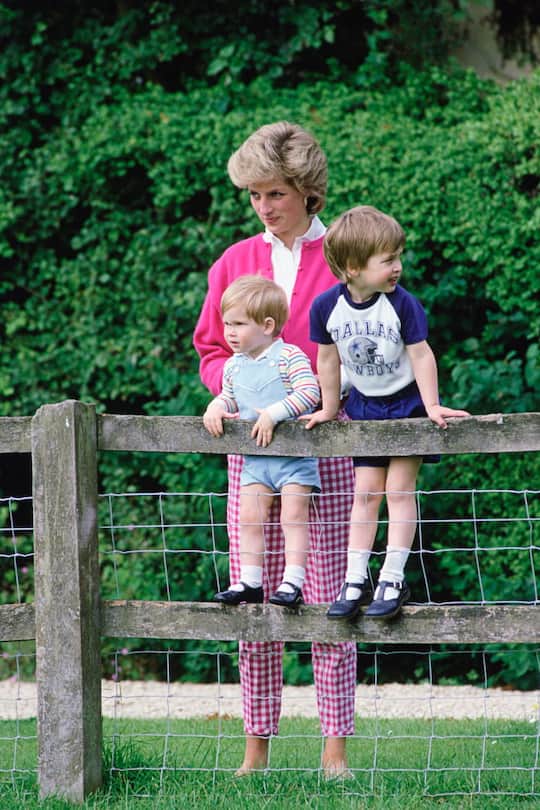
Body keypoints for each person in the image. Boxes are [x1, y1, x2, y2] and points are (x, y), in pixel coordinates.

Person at [193, 121, 356, 778]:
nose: (263, 205)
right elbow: (211, 348)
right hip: (254, 455)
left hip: (331, 449)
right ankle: (255, 750)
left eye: (275, 192)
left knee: (327, 599)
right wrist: (232, 395)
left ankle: (334, 753)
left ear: (307, 191)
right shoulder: (235, 261)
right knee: (255, 598)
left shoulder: (346, 253)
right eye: (254, 194)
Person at [306, 205, 470, 620]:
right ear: (352, 268)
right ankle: (355, 578)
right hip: (363, 406)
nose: (397, 267)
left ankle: (392, 576)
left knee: (398, 491)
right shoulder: (326, 308)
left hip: (406, 402)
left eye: (398, 256)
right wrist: (328, 407)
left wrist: (431, 404)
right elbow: (327, 361)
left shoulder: (403, 304)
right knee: (364, 495)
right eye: (387, 260)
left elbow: (421, 354)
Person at [203, 275, 321, 607]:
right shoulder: (232, 367)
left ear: (268, 325)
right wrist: (215, 406)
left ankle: (292, 582)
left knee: (293, 517)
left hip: (293, 461)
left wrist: (274, 413)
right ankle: (250, 582)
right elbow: (229, 398)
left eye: (238, 324)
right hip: (255, 463)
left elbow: (310, 392)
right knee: (249, 518)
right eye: (226, 323)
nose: (229, 332)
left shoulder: (289, 357)